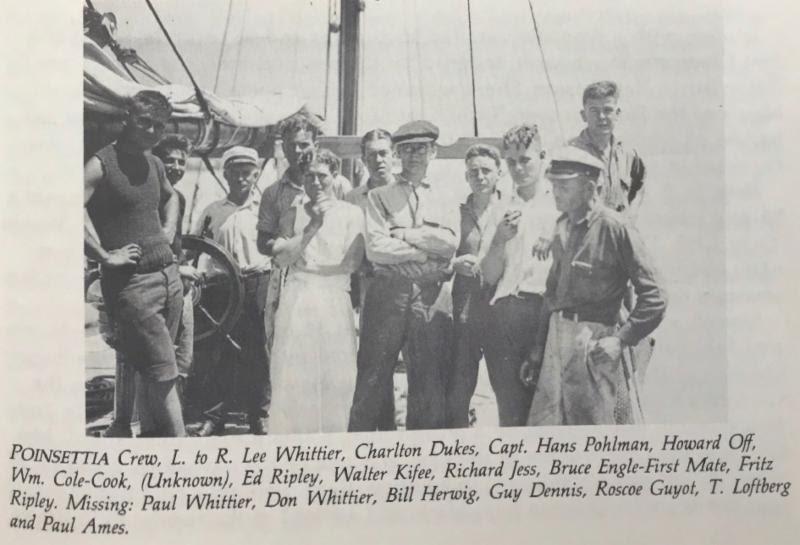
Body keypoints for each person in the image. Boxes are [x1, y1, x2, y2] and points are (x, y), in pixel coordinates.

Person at [522, 146, 667, 426]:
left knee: (596, 433)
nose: (556, 192)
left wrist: (621, 339)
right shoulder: (563, 225)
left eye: (564, 186)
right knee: (548, 430)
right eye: (553, 184)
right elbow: (552, 295)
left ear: (590, 189)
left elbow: (656, 295)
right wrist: (538, 348)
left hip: (595, 343)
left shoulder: (616, 228)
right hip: (557, 340)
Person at [84, 90, 185, 437]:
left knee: (154, 370)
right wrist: (104, 255)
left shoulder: (155, 162)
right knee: (164, 373)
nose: (152, 132)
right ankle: (185, 454)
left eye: (159, 126)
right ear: (128, 116)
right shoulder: (101, 163)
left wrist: (169, 227)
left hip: (169, 280)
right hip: (133, 286)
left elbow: (171, 197)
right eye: (145, 122)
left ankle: (152, 445)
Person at [348, 120, 459, 431]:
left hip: (429, 295)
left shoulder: (446, 195)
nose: (413, 156)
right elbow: (377, 249)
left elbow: (451, 244)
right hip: (387, 293)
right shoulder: (379, 196)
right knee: (372, 379)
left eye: (420, 149)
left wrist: (405, 234)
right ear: (398, 153)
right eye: (407, 150)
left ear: (433, 152)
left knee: (428, 382)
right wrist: (424, 251)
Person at [269, 150, 365, 434]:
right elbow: (281, 259)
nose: (315, 181)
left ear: (335, 176)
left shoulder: (352, 212)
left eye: (322, 175)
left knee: (336, 377)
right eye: (309, 175)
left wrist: (310, 266)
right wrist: (312, 226)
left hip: (334, 300)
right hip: (298, 299)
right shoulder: (294, 209)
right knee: (294, 374)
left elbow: (352, 262)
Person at [476, 125, 560, 427]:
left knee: (549, 412)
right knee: (510, 414)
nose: (518, 169)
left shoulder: (559, 206)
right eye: (511, 162)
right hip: (504, 315)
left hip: (546, 314)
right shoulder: (499, 209)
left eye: (525, 160)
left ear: (542, 157)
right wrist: (499, 240)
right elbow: (488, 275)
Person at [193, 146, 272, 436]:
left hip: (257, 282)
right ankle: (214, 417)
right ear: (225, 174)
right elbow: (195, 249)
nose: (241, 177)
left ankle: (259, 415)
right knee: (219, 351)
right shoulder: (211, 212)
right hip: (221, 287)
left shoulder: (265, 209)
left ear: (255, 175)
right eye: (234, 171)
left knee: (259, 350)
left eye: (247, 172)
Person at [445, 144, 503, 428]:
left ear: (499, 173)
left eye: (486, 171)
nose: (480, 177)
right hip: (465, 308)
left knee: (505, 385)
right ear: (466, 176)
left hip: (500, 306)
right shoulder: (455, 213)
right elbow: (441, 257)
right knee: (459, 386)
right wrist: (454, 265)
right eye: (473, 172)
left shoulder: (511, 210)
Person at [344, 128, 397, 430]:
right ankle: (378, 431)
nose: (378, 160)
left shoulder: (406, 191)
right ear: (363, 159)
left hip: (407, 287)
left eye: (384, 153)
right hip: (371, 288)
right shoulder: (353, 199)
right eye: (372, 155)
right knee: (374, 363)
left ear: (393, 155)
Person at [256, 112, 321, 360]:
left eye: (303, 144)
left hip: (325, 279)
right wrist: (282, 248)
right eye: (290, 145)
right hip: (286, 280)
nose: (297, 151)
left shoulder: (338, 186)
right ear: (282, 147)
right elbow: (263, 242)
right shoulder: (272, 193)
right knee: (284, 353)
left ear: (316, 145)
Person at [152, 134, 201, 393]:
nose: (176, 168)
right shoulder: (147, 197)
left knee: (183, 356)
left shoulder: (178, 198)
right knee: (159, 360)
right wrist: (178, 268)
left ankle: (174, 420)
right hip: (157, 286)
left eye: (182, 162)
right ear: (156, 162)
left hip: (179, 286)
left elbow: (175, 243)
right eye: (169, 161)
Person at [569, 80, 647, 222]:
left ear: (617, 113)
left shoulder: (629, 155)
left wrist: (631, 215)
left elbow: (639, 187)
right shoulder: (570, 153)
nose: (602, 117)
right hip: (585, 237)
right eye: (594, 111)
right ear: (583, 115)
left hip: (620, 236)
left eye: (607, 110)